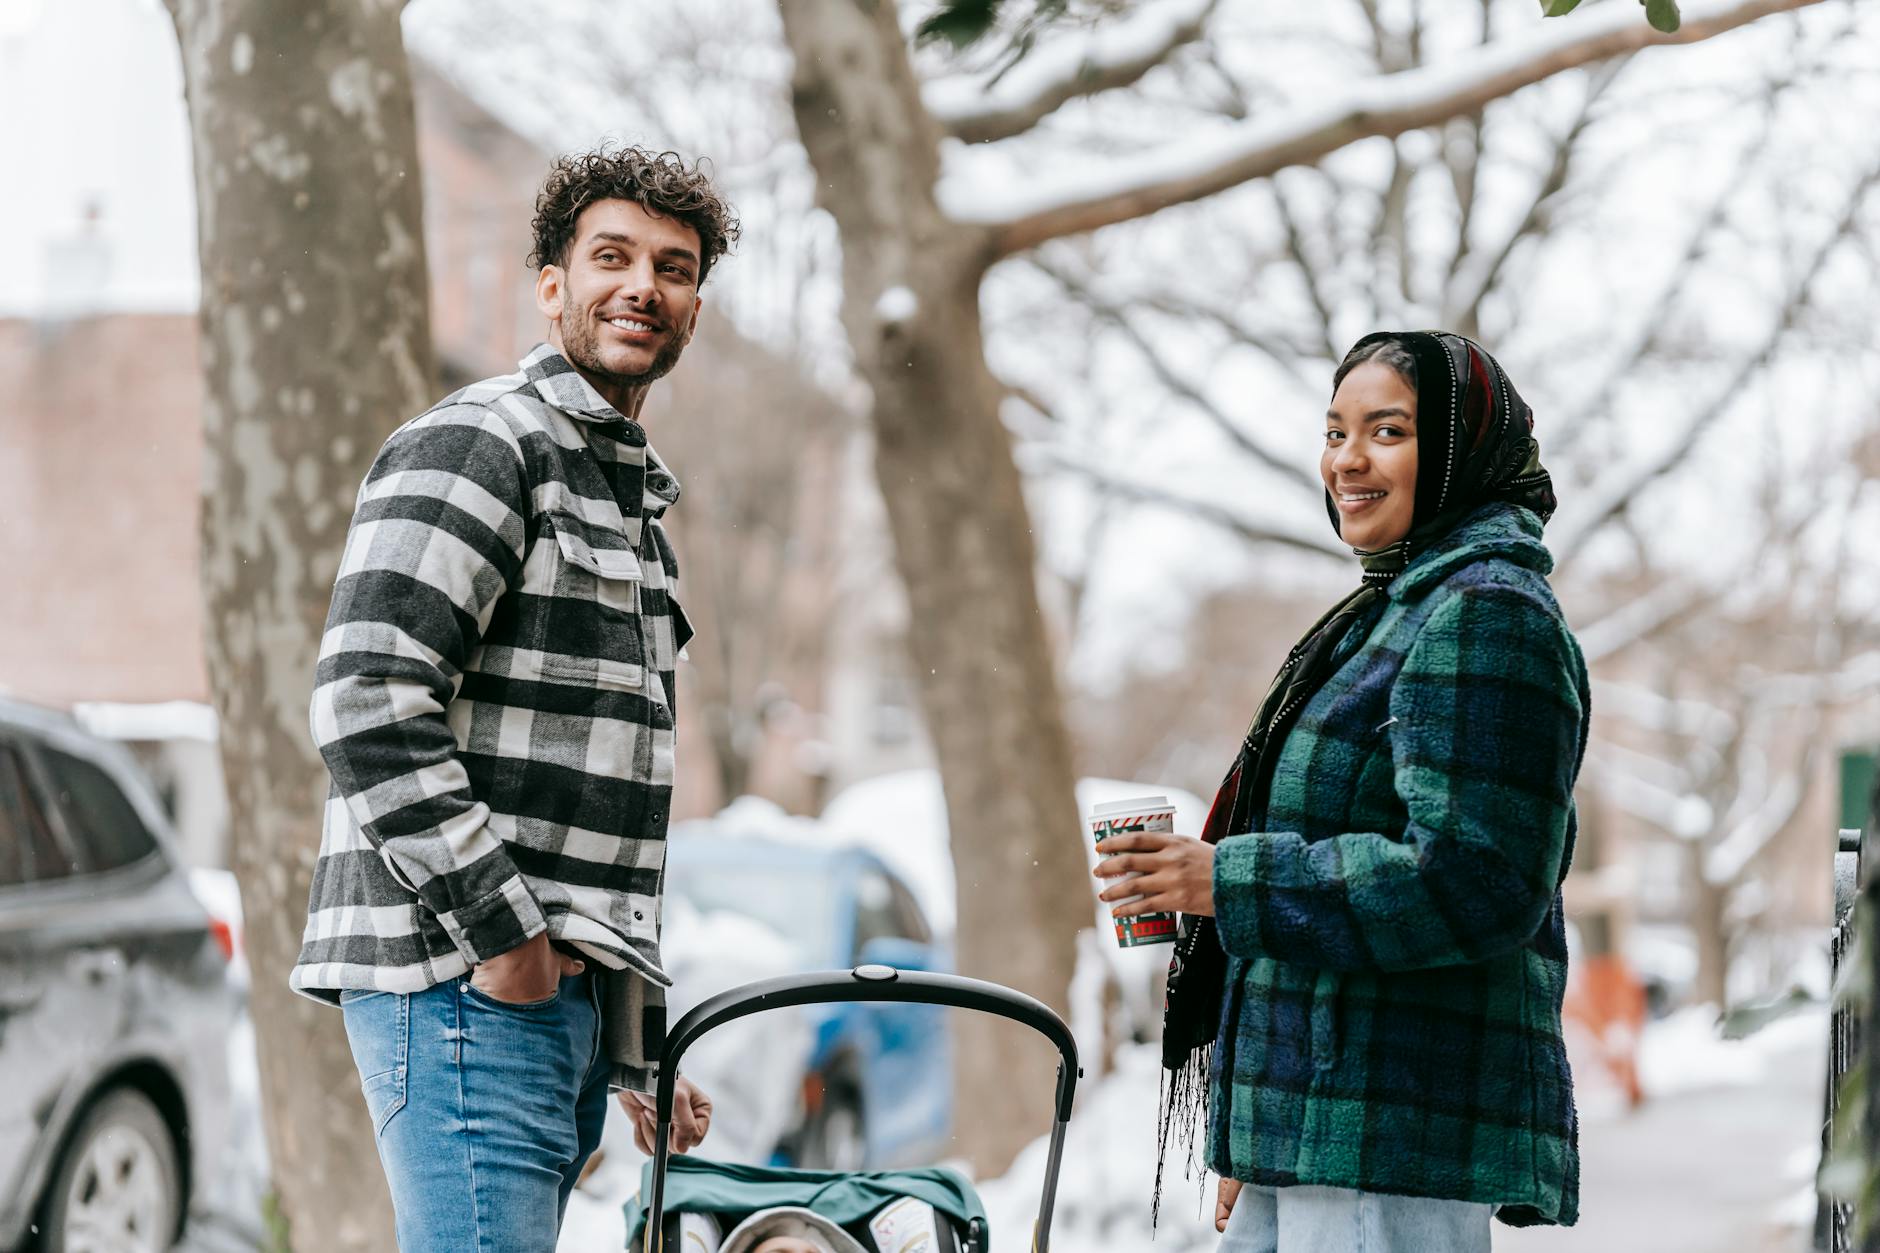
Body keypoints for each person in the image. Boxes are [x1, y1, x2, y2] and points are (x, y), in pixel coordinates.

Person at [290, 145, 738, 1251]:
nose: (644, 286)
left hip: (544, 1007)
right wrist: (508, 949)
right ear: (551, 285)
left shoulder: (628, 508)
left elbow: (596, 812)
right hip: (458, 983)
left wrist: (631, 1045)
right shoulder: (485, 441)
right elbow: (365, 696)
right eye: (612, 257)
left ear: (692, 305)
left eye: (673, 268)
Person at [1094, 332, 1588, 1251]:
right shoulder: (1394, 609)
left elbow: (1476, 881)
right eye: (1335, 431)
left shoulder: (1487, 613)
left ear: (1456, 448)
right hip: (1318, 1139)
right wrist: (1259, 1126)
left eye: (1387, 430)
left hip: (1390, 1140)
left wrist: (1224, 881)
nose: (1347, 460)